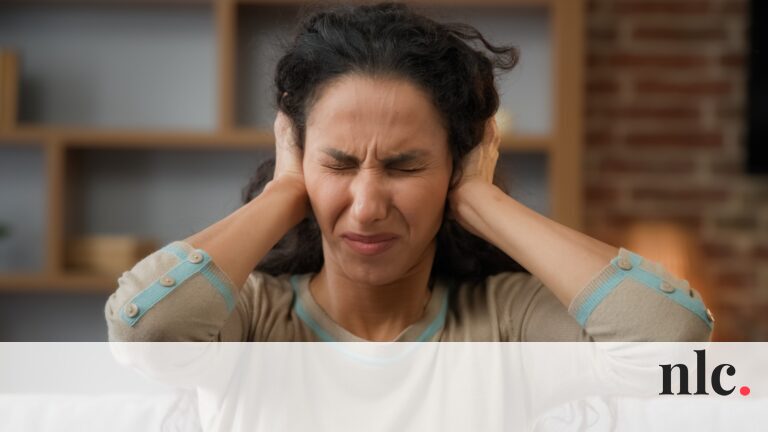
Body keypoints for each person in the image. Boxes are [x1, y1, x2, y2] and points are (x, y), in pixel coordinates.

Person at [105, 2, 713, 343]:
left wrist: (478, 200)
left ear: (456, 163)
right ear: (296, 152)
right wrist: (286, 190)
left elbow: (672, 336)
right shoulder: (252, 317)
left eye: (406, 165)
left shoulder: (505, 321)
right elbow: (145, 329)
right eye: (338, 163)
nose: (368, 205)